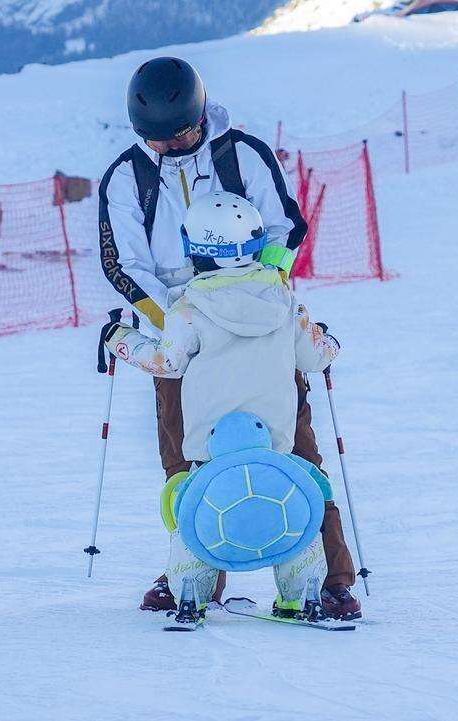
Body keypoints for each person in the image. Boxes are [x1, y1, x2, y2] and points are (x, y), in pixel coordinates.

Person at [98, 56, 362, 619]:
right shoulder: (127, 177)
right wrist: (184, 319)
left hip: (260, 318)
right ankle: (193, 576)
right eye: (156, 139)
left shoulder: (241, 154)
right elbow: (122, 262)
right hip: (181, 324)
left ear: (199, 114)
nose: (169, 146)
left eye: (180, 134)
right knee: (186, 456)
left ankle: (332, 577)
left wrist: (257, 286)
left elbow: (284, 225)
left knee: (297, 452)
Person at [102, 192, 340, 619]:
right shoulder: (285, 302)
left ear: (194, 246)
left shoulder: (189, 309)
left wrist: (120, 339)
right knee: (295, 512)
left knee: (194, 512)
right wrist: (327, 341)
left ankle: (188, 591)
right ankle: (301, 592)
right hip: (276, 453)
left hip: (211, 456)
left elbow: (166, 364)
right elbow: (314, 357)